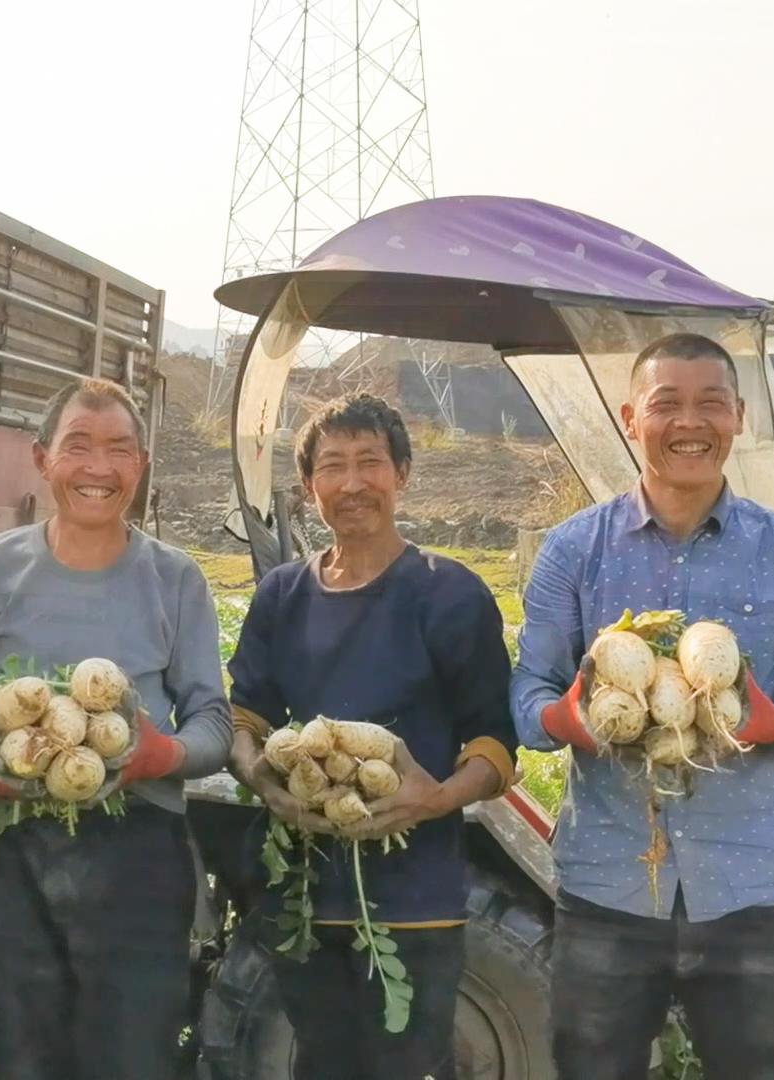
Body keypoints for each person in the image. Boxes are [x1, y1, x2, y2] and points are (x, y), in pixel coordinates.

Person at [511, 331, 774, 1080]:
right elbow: (527, 693)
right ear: (631, 417)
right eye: (667, 404)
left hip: (745, 890)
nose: (689, 423)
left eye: (711, 403)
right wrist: (563, 721)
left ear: (739, 416)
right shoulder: (573, 551)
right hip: (607, 882)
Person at [0, 377, 232, 1080]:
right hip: (7, 848)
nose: (99, 469)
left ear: (142, 463)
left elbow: (212, 722)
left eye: (119, 450)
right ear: (42, 459)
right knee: (16, 1052)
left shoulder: (175, 579)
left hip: (137, 852)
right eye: (79, 447)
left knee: (131, 1056)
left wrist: (162, 756)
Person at [224, 393, 517, 1080]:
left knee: (409, 1064)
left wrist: (436, 798)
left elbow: (497, 741)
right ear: (308, 487)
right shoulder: (281, 597)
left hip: (417, 902)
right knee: (318, 1063)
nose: (352, 483)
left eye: (371, 463)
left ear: (403, 473)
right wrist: (265, 781)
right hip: (304, 895)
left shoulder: (451, 594)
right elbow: (246, 717)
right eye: (332, 467)